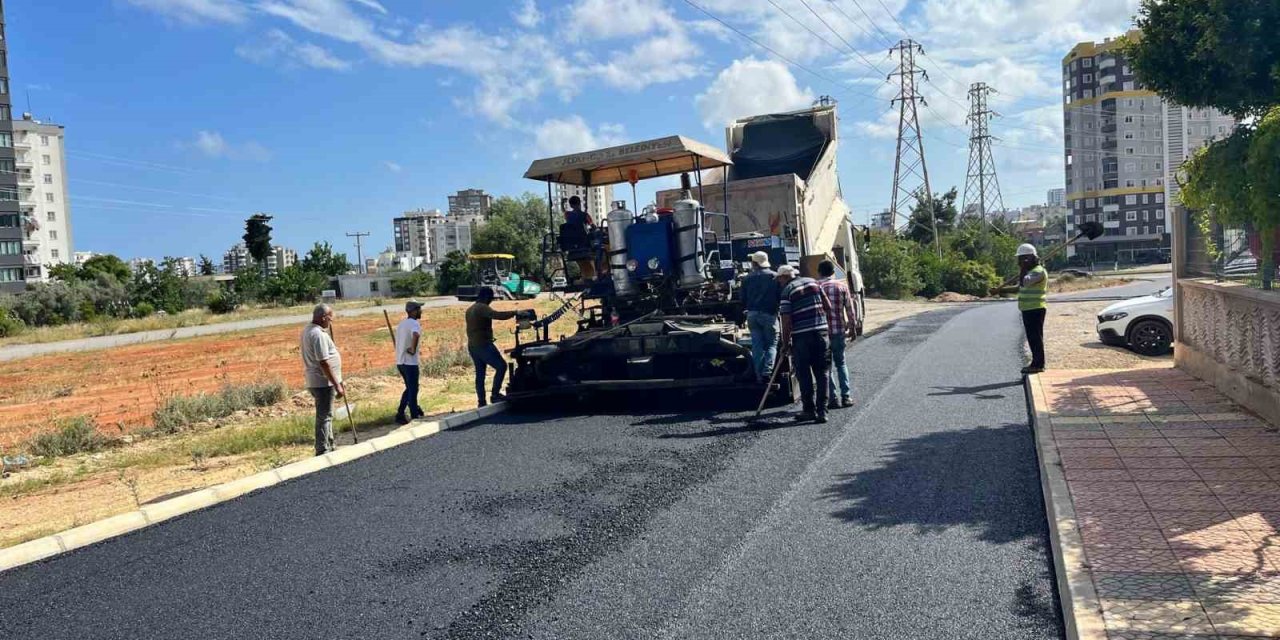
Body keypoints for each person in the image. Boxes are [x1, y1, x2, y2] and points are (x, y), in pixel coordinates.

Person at [776, 265, 833, 423]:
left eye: (779, 279)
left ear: (784, 277)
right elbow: (827, 306)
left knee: (804, 374)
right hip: (821, 334)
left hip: (801, 337)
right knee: (822, 373)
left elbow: (786, 322)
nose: (779, 282)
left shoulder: (787, 291)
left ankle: (809, 410)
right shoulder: (814, 283)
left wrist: (785, 344)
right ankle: (823, 412)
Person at [465, 287, 529, 407]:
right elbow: (497, 315)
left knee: (480, 374)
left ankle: (481, 401)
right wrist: (515, 312)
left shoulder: (470, 309)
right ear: (486, 297)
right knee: (501, 366)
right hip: (484, 344)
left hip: (473, 346)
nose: (491, 301)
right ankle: (495, 395)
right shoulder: (482, 308)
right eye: (490, 298)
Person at [991, 243, 1048, 374]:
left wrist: (1023, 269)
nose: (1020, 261)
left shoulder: (1038, 272)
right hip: (1028, 309)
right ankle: (1036, 362)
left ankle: (1038, 364)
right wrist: (999, 291)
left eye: (1022, 259)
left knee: (1035, 337)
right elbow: (1018, 287)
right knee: (1032, 337)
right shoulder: (1030, 271)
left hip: (1035, 309)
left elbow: (1025, 282)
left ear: (1030, 258)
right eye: (1020, 259)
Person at [300, 304, 343, 455]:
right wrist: (337, 384)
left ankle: (329, 444)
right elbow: (324, 362)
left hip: (317, 381)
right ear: (323, 317)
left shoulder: (309, 330)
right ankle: (322, 448)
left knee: (327, 414)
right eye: (330, 318)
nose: (331, 322)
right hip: (323, 382)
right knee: (324, 416)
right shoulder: (317, 335)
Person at [817, 260, 857, 409]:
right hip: (839, 331)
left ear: (819, 272)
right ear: (833, 272)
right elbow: (850, 310)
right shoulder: (842, 286)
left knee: (826, 367)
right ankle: (846, 396)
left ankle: (832, 398)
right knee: (841, 363)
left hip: (822, 333)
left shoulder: (816, 287)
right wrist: (852, 328)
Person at [741, 251, 781, 382]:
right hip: (769, 314)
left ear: (754, 263)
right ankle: (767, 372)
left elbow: (742, 299)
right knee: (771, 345)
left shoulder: (746, 278)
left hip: (752, 315)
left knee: (757, 346)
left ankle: (759, 377)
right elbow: (780, 296)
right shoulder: (775, 277)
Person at [394, 300, 426, 425]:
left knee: (410, 388)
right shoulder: (414, 323)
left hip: (400, 361)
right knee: (413, 389)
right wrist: (413, 349)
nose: (421, 311)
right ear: (413, 311)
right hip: (410, 362)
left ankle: (405, 411)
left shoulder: (402, 324)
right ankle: (413, 414)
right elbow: (416, 335)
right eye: (419, 309)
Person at [565, 195, 597, 282]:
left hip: (572, 247)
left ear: (571, 205)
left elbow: (563, 211)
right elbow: (593, 226)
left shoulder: (567, 215)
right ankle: (597, 273)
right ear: (580, 204)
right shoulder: (585, 215)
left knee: (582, 263)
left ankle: (586, 276)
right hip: (585, 244)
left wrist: (562, 204)